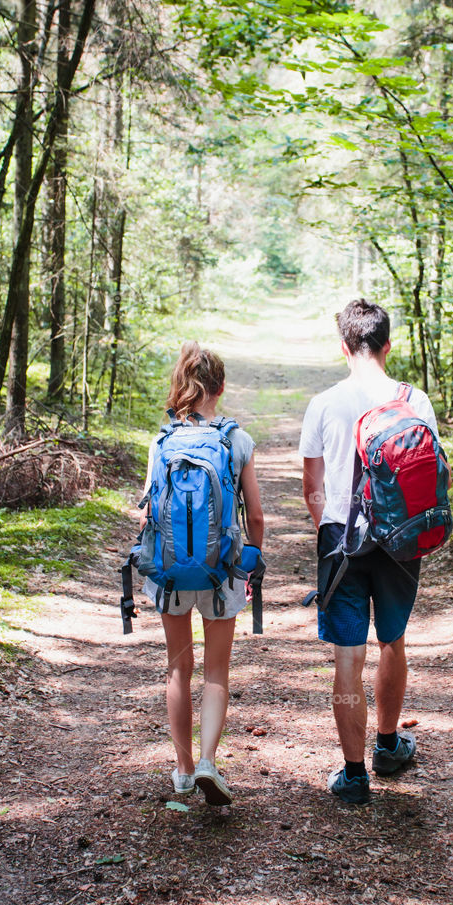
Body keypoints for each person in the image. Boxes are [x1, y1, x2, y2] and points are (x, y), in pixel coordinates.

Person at [299, 298, 439, 804]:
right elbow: (432, 478)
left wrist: (328, 528)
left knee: (347, 655)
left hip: (341, 540)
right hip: (401, 539)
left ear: (344, 347)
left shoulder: (324, 403)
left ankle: (354, 775)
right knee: (393, 642)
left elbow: (311, 483)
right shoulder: (414, 400)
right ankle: (388, 745)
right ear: (387, 344)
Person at [139, 342, 264, 807]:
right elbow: (256, 513)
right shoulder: (236, 440)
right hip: (222, 570)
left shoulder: (162, 442)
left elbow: (149, 510)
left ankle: (184, 772)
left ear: (180, 384)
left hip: (170, 572)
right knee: (216, 671)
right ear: (221, 387)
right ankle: (210, 760)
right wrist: (252, 558)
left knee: (178, 668)